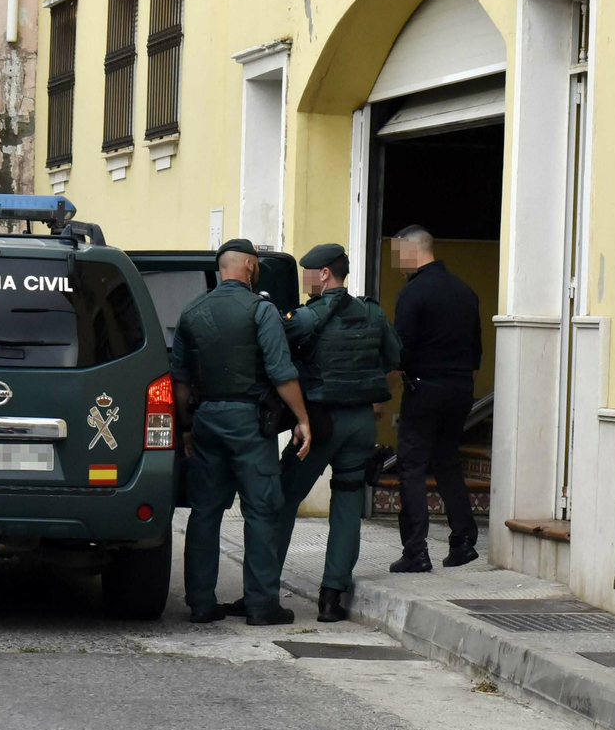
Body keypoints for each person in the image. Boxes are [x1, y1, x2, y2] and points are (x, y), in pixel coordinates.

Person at [171, 240, 311, 625]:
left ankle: (201, 604)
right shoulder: (261, 310)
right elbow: (282, 372)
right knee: (262, 509)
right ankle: (261, 605)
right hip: (249, 422)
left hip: (205, 419)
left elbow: (180, 380)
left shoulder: (191, 312)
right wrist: (301, 418)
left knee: (205, 512)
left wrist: (185, 426)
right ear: (250, 265)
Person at [266, 243, 401, 621]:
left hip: (320, 423)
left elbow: (274, 351)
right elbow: (394, 362)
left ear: (324, 273)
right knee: (346, 505)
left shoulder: (309, 317)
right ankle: (331, 598)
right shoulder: (373, 313)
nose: (305, 278)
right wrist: (372, 399)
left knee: (282, 499)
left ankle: (263, 590)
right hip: (360, 423)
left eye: (308, 271)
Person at [390, 225, 481, 572]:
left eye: (399, 256)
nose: (398, 266)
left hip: (423, 388)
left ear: (414, 251)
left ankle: (416, 551)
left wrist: (384, 395)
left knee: (412, 466)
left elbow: (401, 351)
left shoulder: (413, 293)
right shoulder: (465, 291)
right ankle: (463, 541)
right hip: (460, 392)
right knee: (447, 462)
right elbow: (475, 355)